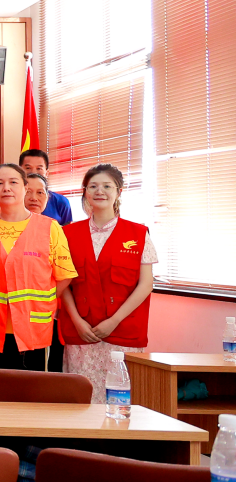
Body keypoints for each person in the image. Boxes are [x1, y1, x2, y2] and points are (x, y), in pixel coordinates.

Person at [60, 164, 157, 402]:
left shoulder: (138, 233)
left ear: (119, 192)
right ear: (85, 192)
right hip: (82, 333)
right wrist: (77, 321)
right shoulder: (67, 234)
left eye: (106, 186)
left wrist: (113, 321)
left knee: (120, 401)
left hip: (123, 332)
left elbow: (146, 285)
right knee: (80, 399)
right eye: (92, 186)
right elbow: (63, 284)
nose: (99, 191)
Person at [0, 164, 77, 371]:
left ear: (25, 188)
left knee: (32, 388)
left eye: (13, 182)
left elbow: (64, 275)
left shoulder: (50, 227)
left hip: (34, 327)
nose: (6, 188)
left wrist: (43, 302)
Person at [19, 149, 75, 226]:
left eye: (39, 168)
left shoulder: (61, 202)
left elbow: (68, 230)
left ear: (47, 173)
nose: (34, 172)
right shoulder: (11, 200)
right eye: (28, 168)